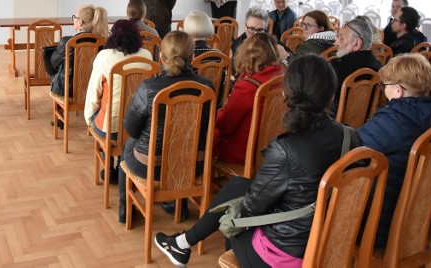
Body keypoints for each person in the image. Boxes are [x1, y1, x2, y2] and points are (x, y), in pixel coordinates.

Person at [154, 55, 360, 267]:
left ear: (287, 92)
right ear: (330, 94)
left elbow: (250, 208)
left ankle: (183, 243)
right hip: (330, 246)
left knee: (233, 221)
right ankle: (183, 242)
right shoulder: (350, 136)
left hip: (285, 255)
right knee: (238, 185)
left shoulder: (285, 149)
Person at [117, 31, 214, 223]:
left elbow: (131, 128)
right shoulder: (206, 86)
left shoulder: (148, 87)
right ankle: (177, 204)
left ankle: (124, 208)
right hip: (194, 166)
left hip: (150, 167)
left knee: (128, 145)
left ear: (160, 56)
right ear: (192, 57)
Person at [358, 54, 431, 248]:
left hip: (381, 224)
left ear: (398, 90)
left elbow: (353, 152)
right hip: (422, 217)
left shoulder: (393, 120)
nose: (383, 91)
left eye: (384, 86)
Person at [84, 19, 153, 182]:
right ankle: (122, 165)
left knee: (99, 117)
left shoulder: (104, 56)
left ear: (113, 36)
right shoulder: (147, 56)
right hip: (139, 126)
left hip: (111, 127)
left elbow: (94, 94)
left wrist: (89, 118)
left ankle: (108, 167)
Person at [214, 33, 283, 164]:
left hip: (245, 153)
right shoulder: (284, 78)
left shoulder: (247, 87)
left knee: (208, 134)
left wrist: (216, 114)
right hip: (274, 151)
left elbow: (225, 125)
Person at [49, 4, 109, 99]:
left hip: (67, 92)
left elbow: (53, 62)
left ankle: (61, 109)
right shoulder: (102, 42)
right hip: (93, 92)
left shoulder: (67, 42)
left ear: (80, 22)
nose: (73, 20)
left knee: (55, 67)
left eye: (74, 17)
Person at [330, 18, 381, 113]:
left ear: (357, 43)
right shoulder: (378, 66)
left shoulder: (337, 67)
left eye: (341, 38)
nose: (336, 42)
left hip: (335, 124)